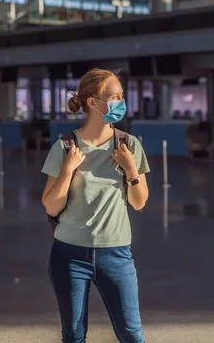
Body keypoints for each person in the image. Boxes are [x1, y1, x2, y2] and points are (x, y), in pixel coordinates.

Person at [41, 68, 150, 343]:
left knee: (131, 333)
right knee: (74, 335)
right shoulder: (66, 147)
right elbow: (51, 207)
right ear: (92, 102)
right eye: (114, 97)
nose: (120, 102)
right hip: (69, 253)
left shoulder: (129, 145)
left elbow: (139, 203)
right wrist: (67, 170)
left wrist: (130, 170)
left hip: (116, 253)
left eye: (121, 96)